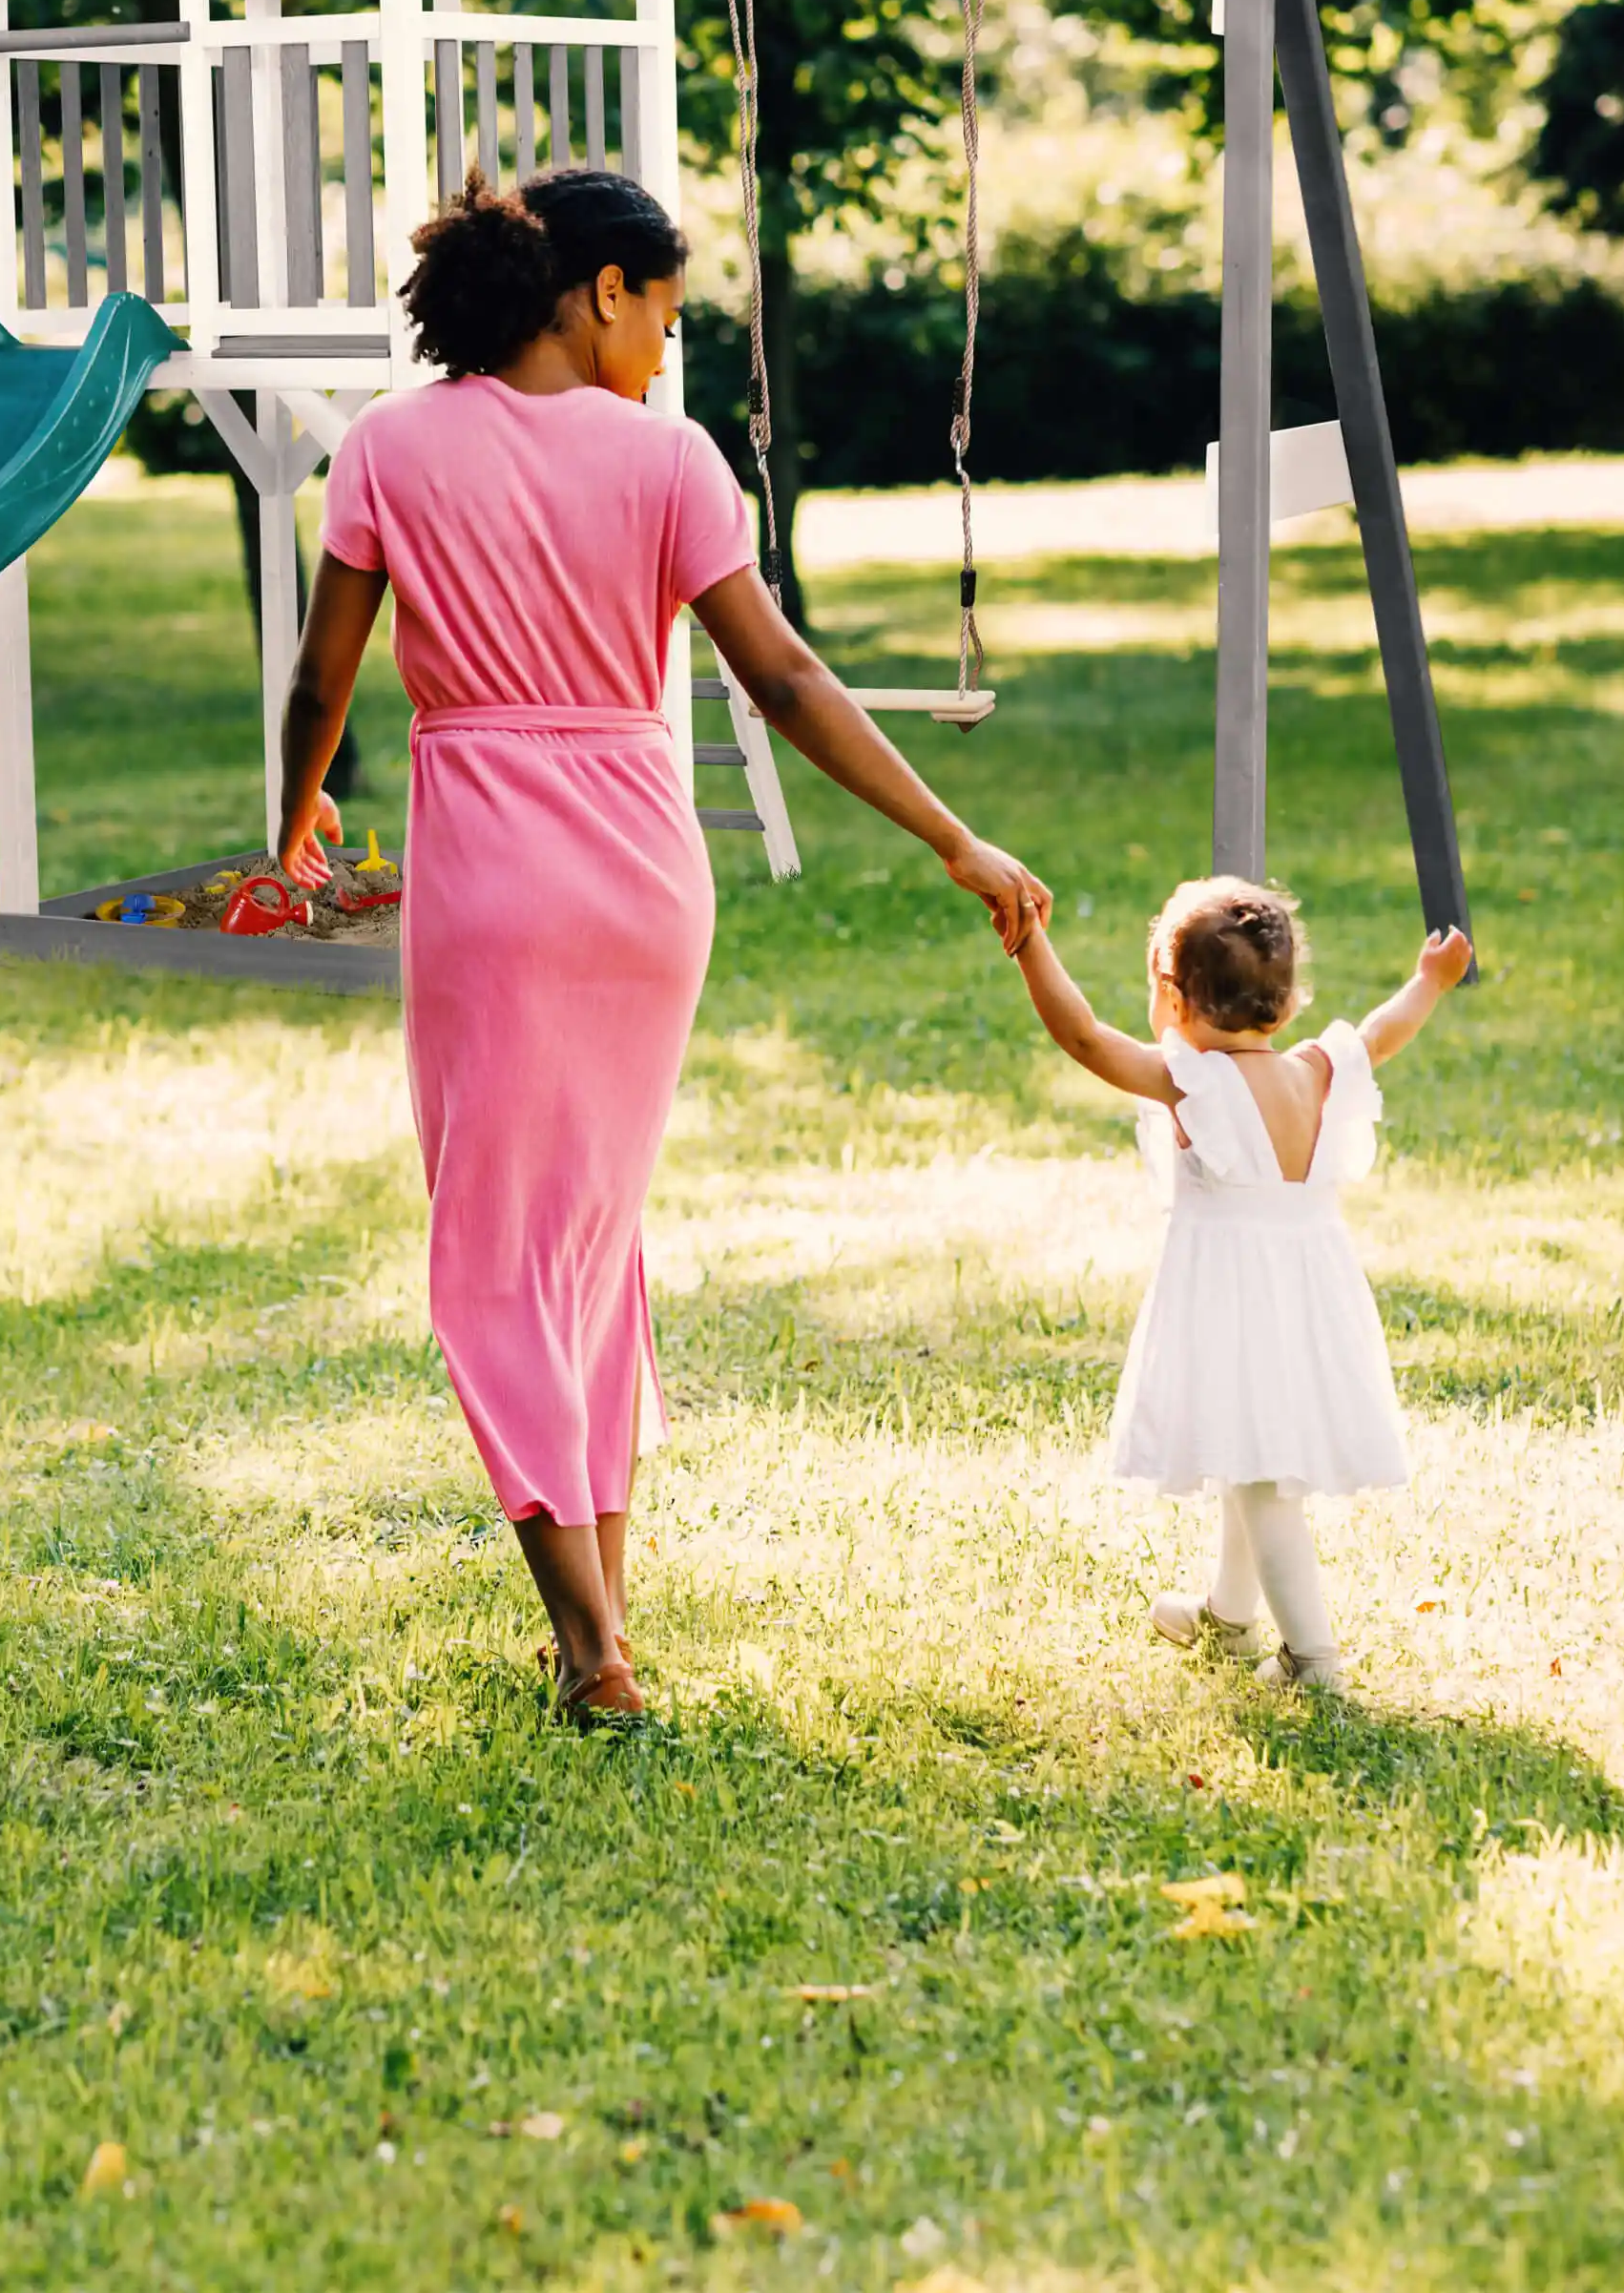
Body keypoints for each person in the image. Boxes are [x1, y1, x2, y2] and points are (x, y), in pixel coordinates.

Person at [274, 169, 1049, 1725]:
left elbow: (323, 681)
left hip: (490, 875)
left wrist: (290, 823)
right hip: (642, 877)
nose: (666, 352)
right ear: (600, 290)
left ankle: (588, 1648)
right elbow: (786, 681)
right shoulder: (671, 462)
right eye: (666, 317)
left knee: (497, 1254)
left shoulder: (389, 448)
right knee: (588, 1242)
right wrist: (950, 835)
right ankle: (603, 1621)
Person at [1009, 875, 1475, 1690]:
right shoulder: (1319, 1070)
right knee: (1244, 1450)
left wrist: (1029, 942)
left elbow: (1083, 1037)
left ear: (1174, 999)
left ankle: (1313, 1661)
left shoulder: (1194, 1084)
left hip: (1234, 1303)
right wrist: (1428, 981)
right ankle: (1229, 1616)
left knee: (1262, 1483)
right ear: (1287, 1003)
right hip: (1308, 1298)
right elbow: (1383, 1030)